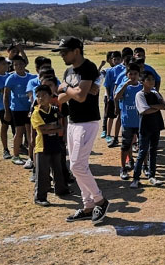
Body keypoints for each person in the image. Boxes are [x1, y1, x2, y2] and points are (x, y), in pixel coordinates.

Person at [55, 36, 109, 223]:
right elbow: (60, 99)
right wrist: (70, 90)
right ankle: (87, 206)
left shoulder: (88, 67)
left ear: (76, 51)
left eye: (64, 52)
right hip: (73, 122)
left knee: (76, 166)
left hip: (87, 122)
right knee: (79, 166)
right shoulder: (68, 71)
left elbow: (80, 96)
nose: (62, 55)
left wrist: (66, 88)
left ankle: (99, 200)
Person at [30, 85, 68, 206]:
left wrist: (50, 127)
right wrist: (53, 127)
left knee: (58, 168)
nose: (40, 98)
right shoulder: (36, 112)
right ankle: (40, 197)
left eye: (43, 95)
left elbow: (60, 126)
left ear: (51, 96)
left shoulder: (55, 110)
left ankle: (60, 190)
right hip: (42, 146)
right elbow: (41, 130)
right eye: (38, 96)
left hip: (55, 143)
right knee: (42, 173)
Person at [131, 71, 165, 188]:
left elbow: (164, 106)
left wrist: (152, 106)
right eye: (149, 79)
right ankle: (136, 178)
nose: (152, 81)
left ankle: (152, 176)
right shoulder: (139, 95)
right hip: (145, 127)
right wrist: (156, 107)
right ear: (142, 82)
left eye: (153, 79)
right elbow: (144, 111)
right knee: (142, 152)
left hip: (156, 125)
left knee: (153, 151)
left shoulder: (155, 93)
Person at [3, 55, 35, 165]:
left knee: (30, 133)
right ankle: (16, 156)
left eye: (21, 64)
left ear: (25, 65)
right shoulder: (11, 78)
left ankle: (31, 157)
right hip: (17, 109)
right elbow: (6, 95)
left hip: (29, 109)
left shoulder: (31, 77)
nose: (19, 66)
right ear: (13, 66)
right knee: (19, 132)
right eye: (16, 65)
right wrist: (7, 111)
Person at [114, 63, 143, 180]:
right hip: (127, 121)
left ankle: (144, 166)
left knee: (142, 145)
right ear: (127, 75)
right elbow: (116, 97)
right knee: (126, 145)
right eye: (130, 74)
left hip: (140, 121)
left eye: (135, 74)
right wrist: (125, 84)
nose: (133, 76)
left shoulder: (142, 86)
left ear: (139, 75)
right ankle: (123, 168)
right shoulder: (124, 85)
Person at [101, 51, 122, 140]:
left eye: (118, 59)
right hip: (110, 97)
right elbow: (106, 85)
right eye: (114, 59)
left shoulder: (124, 70)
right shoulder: (109, 71)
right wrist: (109, 96)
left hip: (121, 97)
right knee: (109, 115)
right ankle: (106, 132)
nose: (116, 61)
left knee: (120, 116)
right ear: (111, 60)